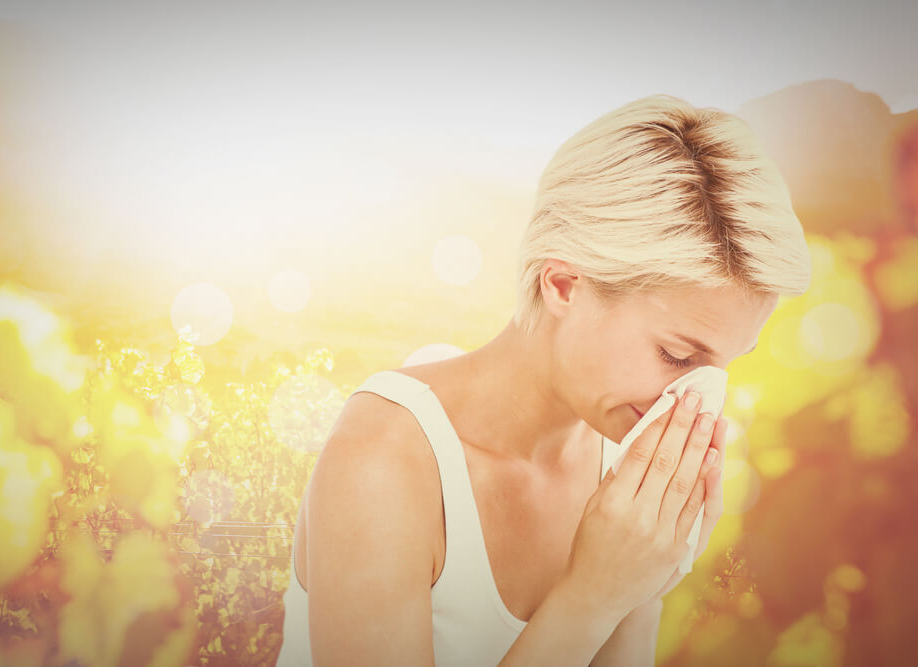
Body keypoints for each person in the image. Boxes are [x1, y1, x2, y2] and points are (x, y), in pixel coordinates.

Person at [275, 94, 812, 666]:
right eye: (676, 355)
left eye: (725, 367)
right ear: (562, 285)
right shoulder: (385, 457)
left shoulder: (625, 474)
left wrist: (646, 580)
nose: (694, 402)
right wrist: (590, 599)